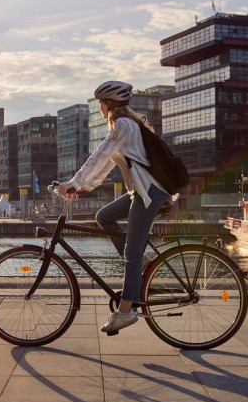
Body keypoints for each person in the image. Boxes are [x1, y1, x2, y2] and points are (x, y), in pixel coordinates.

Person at [58, 80, 176, 334]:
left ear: (108, 103)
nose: (99, 107)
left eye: (100, 102)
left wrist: (73, 182)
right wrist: (82, 187)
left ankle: (126, 311)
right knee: (105, 216)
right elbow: (108, 163)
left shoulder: (123, 125)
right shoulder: (127, 125)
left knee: (130, 256)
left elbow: (98, 155)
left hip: (149, 193)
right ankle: (143, 261)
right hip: (143, 191)